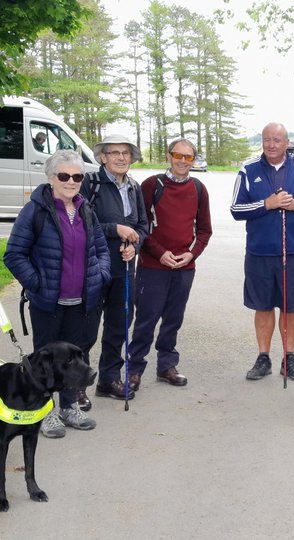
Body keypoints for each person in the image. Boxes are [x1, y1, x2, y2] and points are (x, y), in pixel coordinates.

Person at [5, 150, 112, 437]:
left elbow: (101, 249)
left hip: (81, 302)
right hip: (48, 303)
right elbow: (14, 254)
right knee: (45, 360)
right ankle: (45, 412)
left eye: (77, 176)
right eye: (64, 176)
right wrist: (37, 283)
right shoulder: (35, 210)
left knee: (75, 360)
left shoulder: (85, 209)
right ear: (51, 178)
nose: (71, 181)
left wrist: (100, 275)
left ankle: (68, 407)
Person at [231, 122, 294, 381]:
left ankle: (288, 358)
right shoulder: (248, 170)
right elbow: (236, 209)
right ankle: (263, 357)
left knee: (290, 307)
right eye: (267, 139)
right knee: (263, 306)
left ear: (287, 143)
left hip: (291, 251)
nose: (271, 144)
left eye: (277, 140)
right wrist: (266, 204)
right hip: (259, 252)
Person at [127, 138, 212, 388]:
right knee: (146, 318)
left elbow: (205, 230)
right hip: (153, 266)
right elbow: (140, 227)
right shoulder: (152, 185)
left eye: (188, 157)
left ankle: (166, 365)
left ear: (194, 161)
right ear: (169, 156)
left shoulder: (198, 188)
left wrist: (192, 254)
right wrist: (158, 252)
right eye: (178, 155)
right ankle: (134, 369)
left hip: (184, 267)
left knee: (174, 318)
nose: (182, 161)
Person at [84, 134, 148, 402]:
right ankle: (76, 387)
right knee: (86, 328)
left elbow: (143, 225)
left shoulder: (134, 186)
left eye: (126, 153)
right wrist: (115, 229)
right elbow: (82, 223)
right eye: (115, 153)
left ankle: (109, 379)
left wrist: (136, 244)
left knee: (119, 325)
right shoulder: (90, 183)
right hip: (94, 266)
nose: (121, 158)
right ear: (102, 157)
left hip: (124, 268)